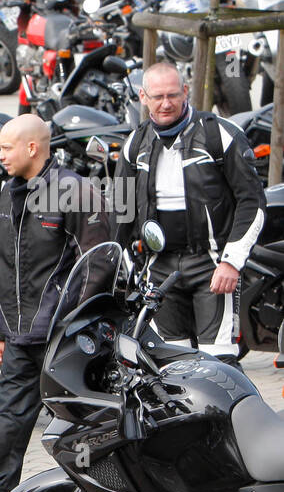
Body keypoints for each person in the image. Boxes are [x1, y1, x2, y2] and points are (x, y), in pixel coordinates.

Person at [0, 115, 109, 492]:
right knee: (6, 428)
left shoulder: (76, 191)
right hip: (20, 339)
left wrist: (68, 325)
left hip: (65, 340)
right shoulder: (8, 192)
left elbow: (97, 265)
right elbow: (4, 267)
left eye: (5, 147)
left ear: (32, 148)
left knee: (82, 427)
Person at [113, 62, 266, 360]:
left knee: (218, 362)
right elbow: (122, 211)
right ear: (143, 97)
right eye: (157, 97)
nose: (166, 103)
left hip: (211, 264)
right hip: (159, 267)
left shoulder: (219, 134)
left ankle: (238, 408)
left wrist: (232, 262)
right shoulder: (135, 144)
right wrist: (124, 265)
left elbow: (252, 201)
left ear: (185, 91)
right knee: (173, 364)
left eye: (173, 95)